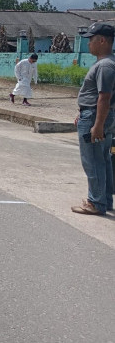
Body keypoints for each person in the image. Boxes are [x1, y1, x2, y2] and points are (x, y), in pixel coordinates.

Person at [71, 22, 115, 216]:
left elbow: (104, 97)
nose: (88, 43)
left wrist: (96, 124)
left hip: (96, 117)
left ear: (103, 40)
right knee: (103, 158)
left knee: (93, 161)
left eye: (91, 39)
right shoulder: (107, 63)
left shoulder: (105, 65)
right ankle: (104, 199)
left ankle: (96, 202)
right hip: (93, 114)